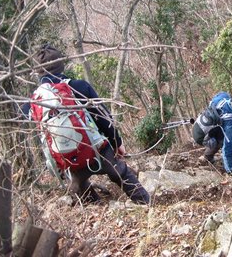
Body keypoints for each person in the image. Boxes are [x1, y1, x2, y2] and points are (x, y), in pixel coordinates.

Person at [24, 44, 150, 205]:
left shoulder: (33, 102)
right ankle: (147, 205)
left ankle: (98, 211)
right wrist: (117, 143)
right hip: (96, 150)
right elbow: (104, 119)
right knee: (120, 172)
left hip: (68, 160)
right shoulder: (79, 86)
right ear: (62, 64)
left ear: (37, 72)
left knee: (78, 185)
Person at [194, 91, 232, 175]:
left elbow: (219, 94)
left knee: (219, 136)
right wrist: (230, 171)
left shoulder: (223, 97)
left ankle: (207, 157)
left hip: (201, 130)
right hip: (206, 137)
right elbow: (228, 148)